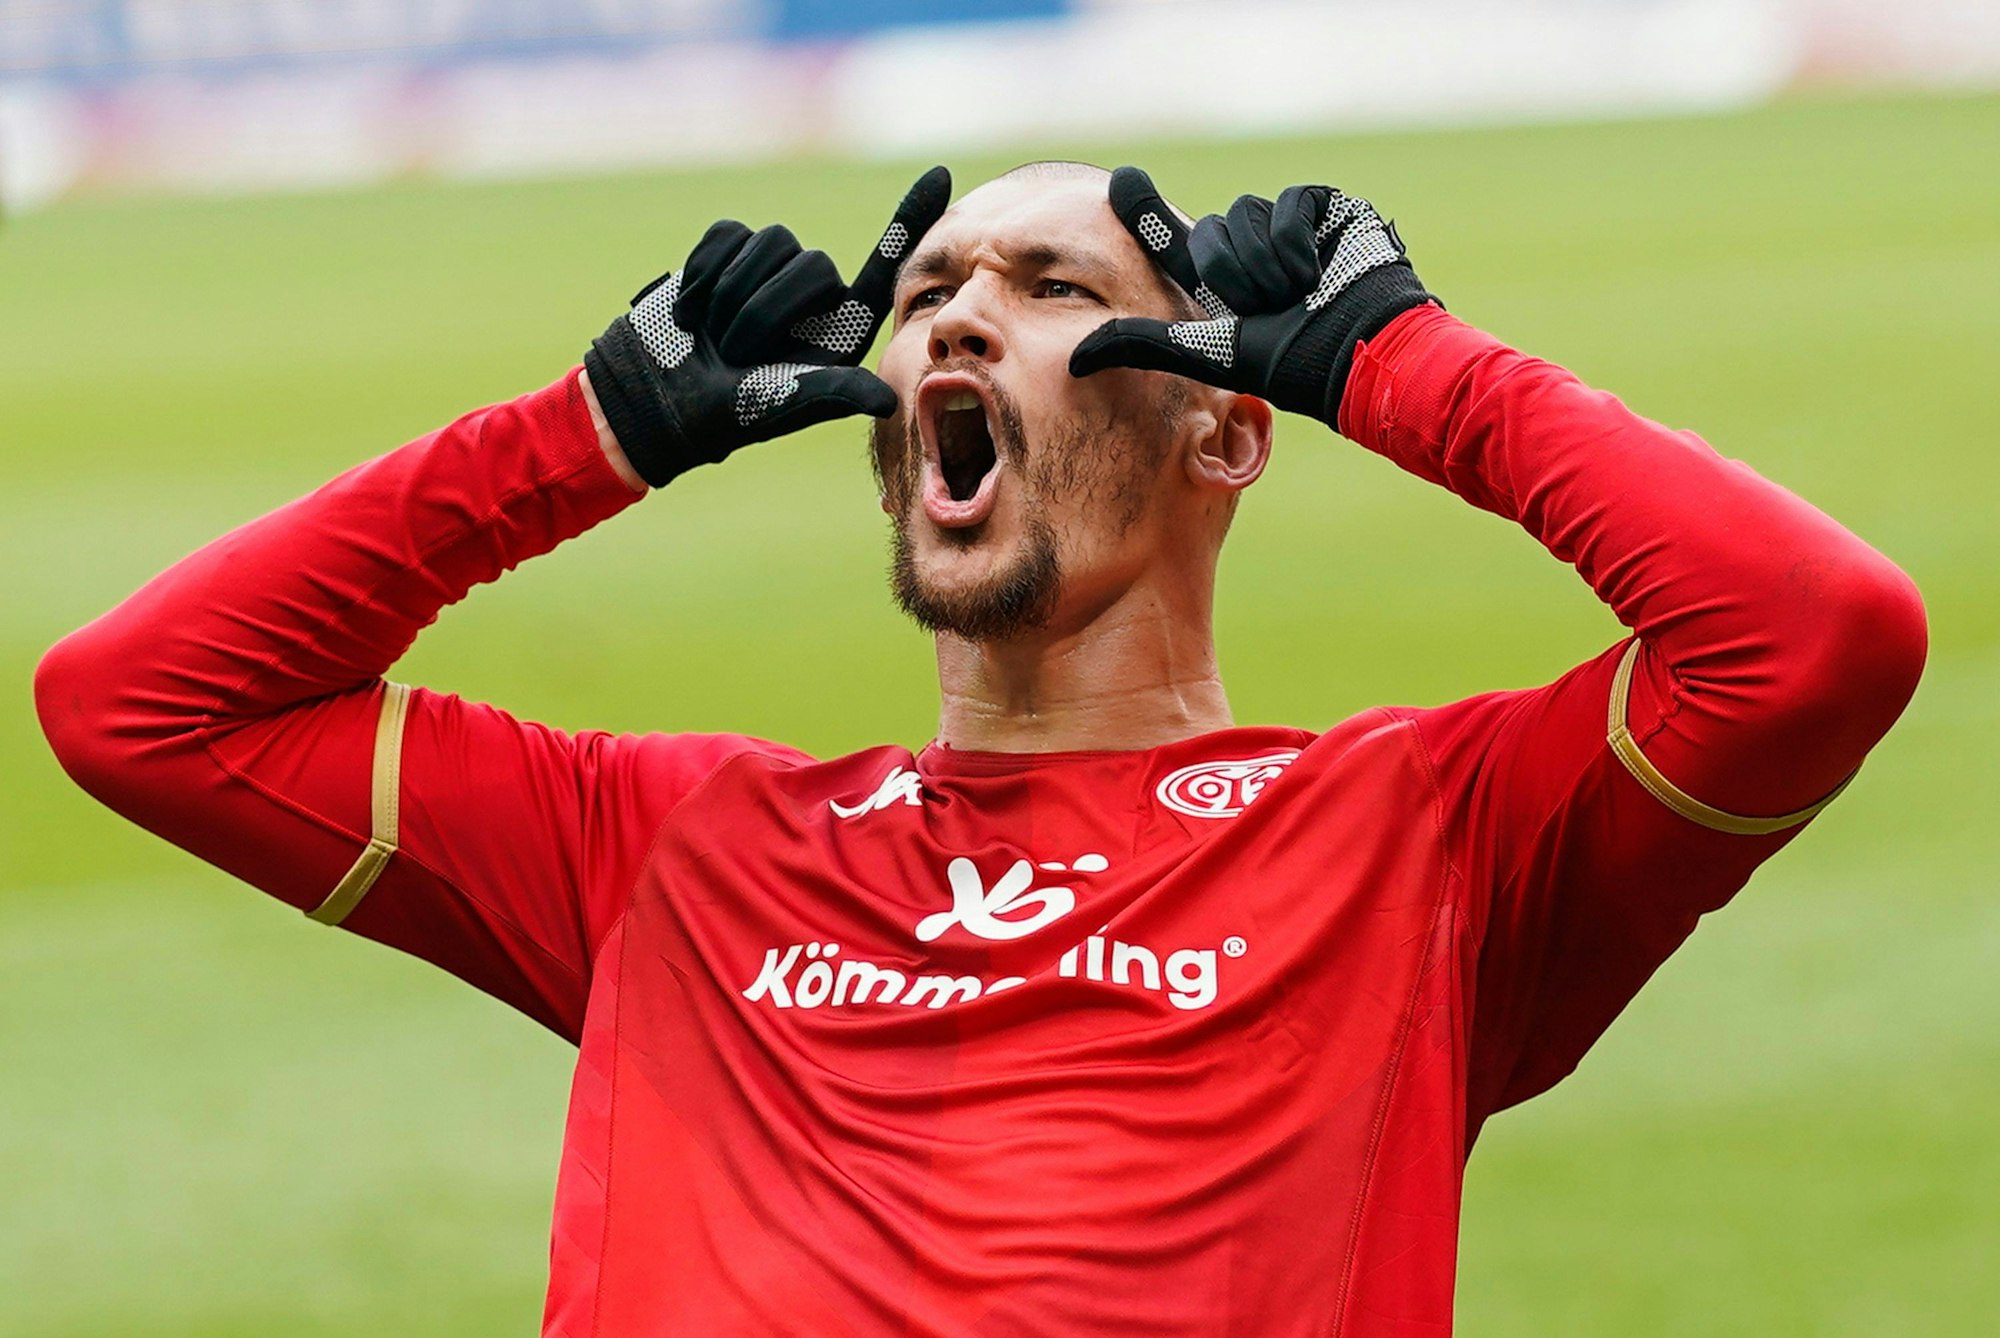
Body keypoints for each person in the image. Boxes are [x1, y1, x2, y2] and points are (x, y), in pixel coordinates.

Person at [35, 160, 1926, 1336]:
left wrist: (1399, 360)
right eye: (931, 291)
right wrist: (587, 430)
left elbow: (1810, 639)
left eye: (1051, 288)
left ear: (1225, 426)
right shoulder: (669, 837)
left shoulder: (1421, 838)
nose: (956, 321)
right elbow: (140, 704)